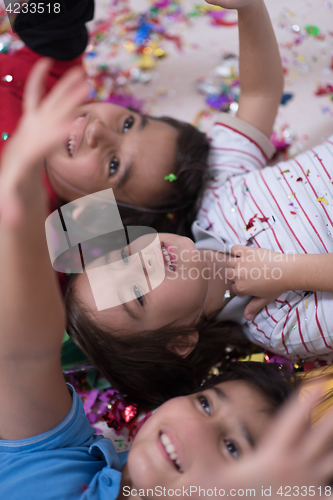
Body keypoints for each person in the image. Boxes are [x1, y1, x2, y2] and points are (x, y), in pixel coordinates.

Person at [0, 0, 209, 236]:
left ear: (91, 212)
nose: (98, 130)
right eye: (128, 124)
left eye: (114, 165)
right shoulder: (61, 83)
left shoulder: (24, 228)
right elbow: (47, 17)